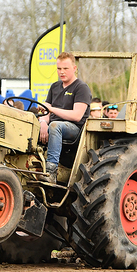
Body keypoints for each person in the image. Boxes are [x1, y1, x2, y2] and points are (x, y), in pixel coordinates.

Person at [38, 52, 91, 184]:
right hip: (53, 125)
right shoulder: (54, 87)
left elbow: (77, 116)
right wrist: (43, 122)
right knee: (31, 122)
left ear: (74, 68)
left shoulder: (81, 88)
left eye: (65, 68)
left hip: (74, 130)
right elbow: (45, 110)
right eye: (59, 68)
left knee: (55, 126)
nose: (61, 72)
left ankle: (51, 171)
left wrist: (51, 110)